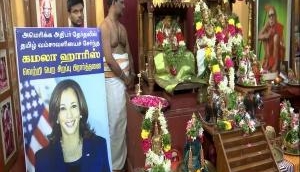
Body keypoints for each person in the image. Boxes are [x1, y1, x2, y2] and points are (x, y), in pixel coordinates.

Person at [35, 79, 110, 172]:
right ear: (56, 116)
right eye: (62, 108)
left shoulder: (99, 146)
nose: (69, 115)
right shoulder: (43, 159)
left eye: (73, 106)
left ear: (80, 111)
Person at [99, 0, 135, 171]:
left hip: (126, 81)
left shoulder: (122, 28)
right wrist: (124, 77)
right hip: (113, 80)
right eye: (121, 2)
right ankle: (114, 166)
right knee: (115, 123)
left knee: (124, 123)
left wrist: (133, 74)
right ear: (113, 2)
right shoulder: (104, 26)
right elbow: (108, 58)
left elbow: (128, 52)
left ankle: (121, 163)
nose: (124, 6)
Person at [258, 5, 285, 72]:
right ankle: (267, 60)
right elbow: (258, 36)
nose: (271, 17)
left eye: (272, 15)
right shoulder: (267, 25)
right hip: (269, 51)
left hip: (277, 51)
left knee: (275, 38)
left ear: (275, 16)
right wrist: (266, 34)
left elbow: (282, 42)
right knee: (264, 37)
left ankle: (275, 63)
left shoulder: (278, 26)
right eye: (269, 16)